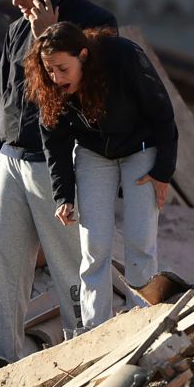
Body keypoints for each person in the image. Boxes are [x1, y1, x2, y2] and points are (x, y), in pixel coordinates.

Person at [0, 0, 118, 363]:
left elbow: (87, 103)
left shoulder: (97, 27)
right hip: (10, 162)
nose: (14, 1)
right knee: (3, 264)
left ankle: (82, 352)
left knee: (72, 267)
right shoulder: (16, 29)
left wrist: (47, 37)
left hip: (58, 167)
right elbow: (0, 101)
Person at [24, 22, 178, 331]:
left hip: (140, 150)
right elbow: (55, 144)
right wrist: (63, 196)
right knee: (93, 247)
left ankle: (144, 323)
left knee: (140, 241)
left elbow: (163, 113)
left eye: (63, 68)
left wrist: (162, 172)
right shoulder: (52, 88)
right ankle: (95, 331)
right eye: (50, 70)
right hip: (94, 155)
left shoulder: (122, 56)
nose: (56, 78)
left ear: (83, 55)